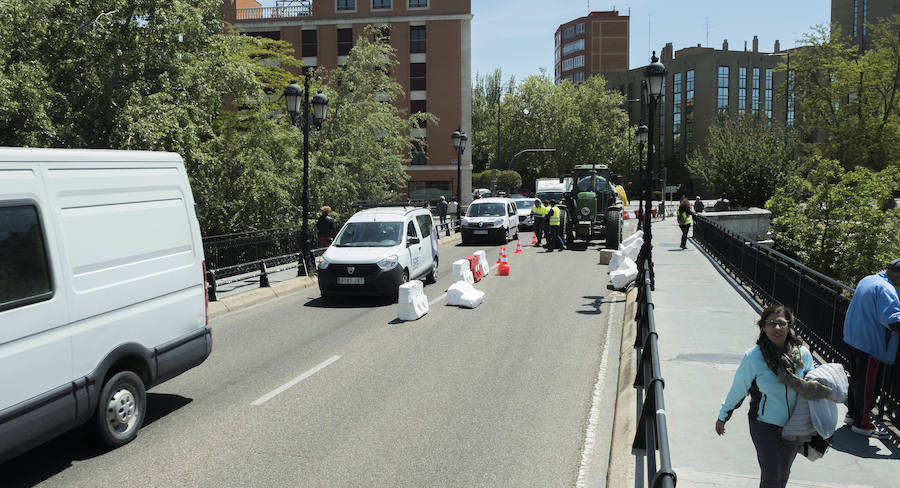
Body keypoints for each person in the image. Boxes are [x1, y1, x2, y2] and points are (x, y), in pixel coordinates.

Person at [716, 305, 815, 488]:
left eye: (781, 323)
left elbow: (813, 384)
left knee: (783, 473)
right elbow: (738, 390)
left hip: (794, 424)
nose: (777, 328)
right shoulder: (754, 357)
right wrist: (723, 415)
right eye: (771, 324)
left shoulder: (803, 355)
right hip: (763, 424)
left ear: (789, 325)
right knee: (772, 475)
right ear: (763, 327)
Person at [842, 258, 900, 438]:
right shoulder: (886, 289)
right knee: (868, 385)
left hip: (854, 338)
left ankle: (853, 414)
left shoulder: (869, 279)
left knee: (857, 381)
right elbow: (893, 320)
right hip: (870, 344)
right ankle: (863, 423)